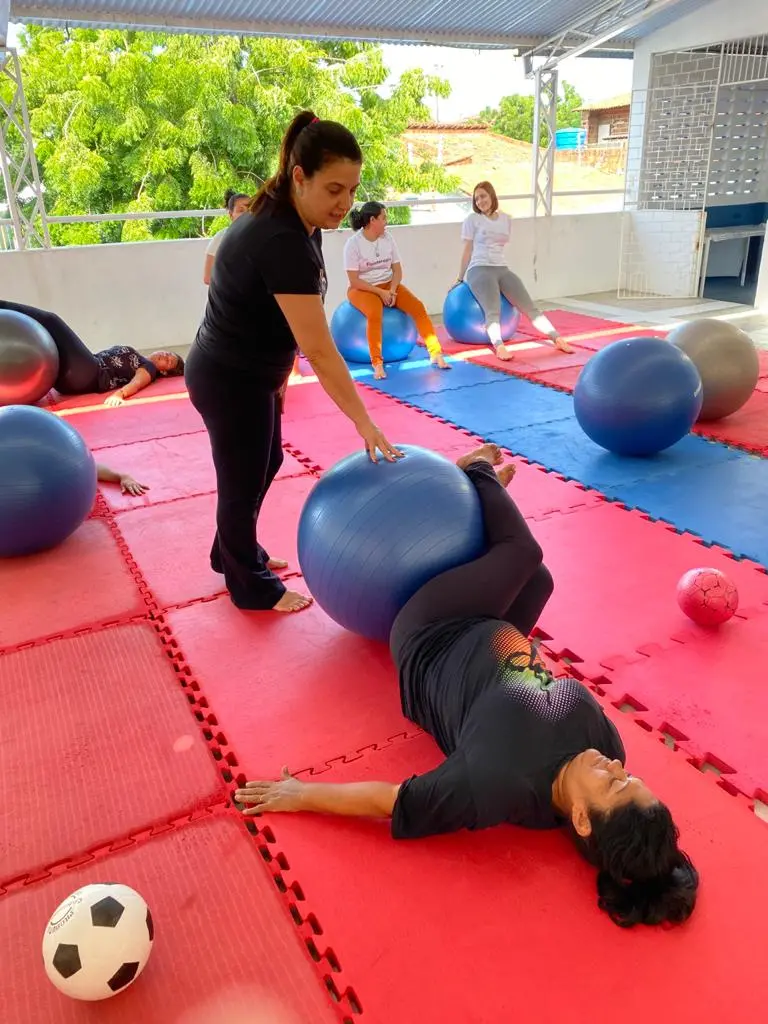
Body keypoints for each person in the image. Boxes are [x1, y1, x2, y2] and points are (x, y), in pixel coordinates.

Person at [235, 442, 699, 928]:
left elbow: (393, 801)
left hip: (429, 637)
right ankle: (467, 511)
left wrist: (300, 794)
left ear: (582, 819)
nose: (615, 766)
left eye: (614, 784)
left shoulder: (495, 785)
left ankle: (478, 474)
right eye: (631, 777)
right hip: (490, 634)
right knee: (538, 580)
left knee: (522, 553)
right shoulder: (605, 748)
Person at [185, 111, 402, 616]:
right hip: (227, 379)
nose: (345, 204)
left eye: (351, 190)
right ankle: (249, 585)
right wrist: (363, 422)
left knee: (269, 460)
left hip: (254, 372)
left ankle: (229, 552)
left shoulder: (302, 223)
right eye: (333, 189)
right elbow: (321, 349)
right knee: (241, 479)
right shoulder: (279, 237)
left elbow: (279, 317)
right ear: (298, 176)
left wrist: (279, 377)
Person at [456, 181, 573, 360]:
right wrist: (459, 278)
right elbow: (467, 250)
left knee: (529, 307)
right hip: (479, 269)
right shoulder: (472, 220)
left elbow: (499, 246)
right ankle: (499, 345)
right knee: (493, 310)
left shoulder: (505, 219)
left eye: (483, 196)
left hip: (501, 268)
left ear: (492, 196)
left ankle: (556, 338)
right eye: (477, 198)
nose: (480, 201)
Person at [0, 299, 184, 406]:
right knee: (48, 333)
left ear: (164, 372)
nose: (166, 356)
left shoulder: (149, 367)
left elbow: (138, 382)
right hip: (78, 375)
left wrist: (119, 394)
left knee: (51, 320)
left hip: (89, 374)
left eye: (169, 362)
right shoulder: (141, 357)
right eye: (169, 354)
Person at [344, 201, 450, 380]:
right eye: (383, 218)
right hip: (362, 289)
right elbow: (354, 280)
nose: (387, 221)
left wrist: (392, 290)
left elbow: (398, 270)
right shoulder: (353, 244)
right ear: (372, 220)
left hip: (388, 285)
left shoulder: (388, 239)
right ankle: (377, 363)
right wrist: (380, 293)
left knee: (417, 307)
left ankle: (436, 353)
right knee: (374, 313)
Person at [203, 190, 251, 286]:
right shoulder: (221, 237)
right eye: (241, 210)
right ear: (230, 215)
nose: (247, 214)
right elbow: (207, 278)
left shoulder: (258, 237)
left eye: (250, 209)